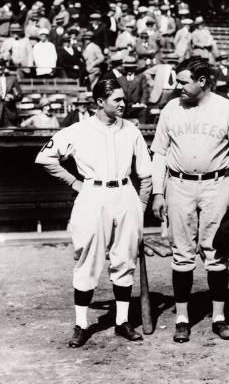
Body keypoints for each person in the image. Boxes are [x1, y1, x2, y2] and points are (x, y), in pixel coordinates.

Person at [34, 79, 152, 348]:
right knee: (86, 259)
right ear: (100, 102)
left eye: (124, 99)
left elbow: (145, 173)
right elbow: (44, 158)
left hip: (125, 193)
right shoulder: (77, 130)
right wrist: (74, 182)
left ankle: (122, 322)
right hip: (92, 194)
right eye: (117, 100)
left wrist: (140, 207)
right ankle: (82, 324)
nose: (123, 104)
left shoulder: (131, 130)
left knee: (124, 260)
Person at [150, 57, 229, 343]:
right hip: (179, 184)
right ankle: (182, 318)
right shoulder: (172, 108)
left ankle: (219, 317)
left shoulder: (227, 108)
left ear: (202, 81)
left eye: (183, 81)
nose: (177, 86)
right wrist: (158, 191)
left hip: (217, 184)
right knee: (182, 253)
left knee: (217, 253)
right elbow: (158, 153)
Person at [0, 58, 23, 127]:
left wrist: (12, 97)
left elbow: (20, 95)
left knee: (10, 135)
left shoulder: (12, 79)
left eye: (1, 65)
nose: (0, 67)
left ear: (5, 67)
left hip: (9, 113)